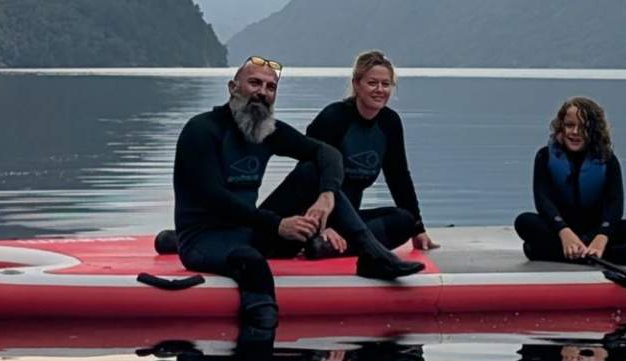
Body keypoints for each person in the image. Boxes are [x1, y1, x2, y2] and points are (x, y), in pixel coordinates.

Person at [172, 56, 426, 334]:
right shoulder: (201, 130)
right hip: (205, 238)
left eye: (270, 87)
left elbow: (325, 153)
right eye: (255, 83)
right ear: (233, 87)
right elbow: (213, 199)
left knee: (312, 171)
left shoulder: (267, 129)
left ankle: (372, 253)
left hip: (251, 231)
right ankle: (257, 347)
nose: (262, 92)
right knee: (251, 262)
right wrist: (278, 224)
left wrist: (327, 194)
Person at [272, 50, 436, 259]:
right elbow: (308, 175)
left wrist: (418, 227)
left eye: (386, 84)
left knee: (405, 220)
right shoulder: (334, 117)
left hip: (348, 221)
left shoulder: (390, 123)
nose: (380, 90)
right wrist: (325, 225)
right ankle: (322, 239)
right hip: (311, 212)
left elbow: (399, 177)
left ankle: (328, 246)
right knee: (312, 170)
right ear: (357, 84)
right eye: (372, 83)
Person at [513, 96, 626, 265]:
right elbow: (543, 201)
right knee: (524, 221)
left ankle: (569, 252)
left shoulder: (608, 160)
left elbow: (615, 205)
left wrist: (601, 237)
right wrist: (564, 232)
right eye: (569, 125)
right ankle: (592, 255)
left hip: (594, 231)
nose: (575, 132)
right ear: (561, 126)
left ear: (595, 130)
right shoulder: (544, 156)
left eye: (583, 127)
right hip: (559, 229)